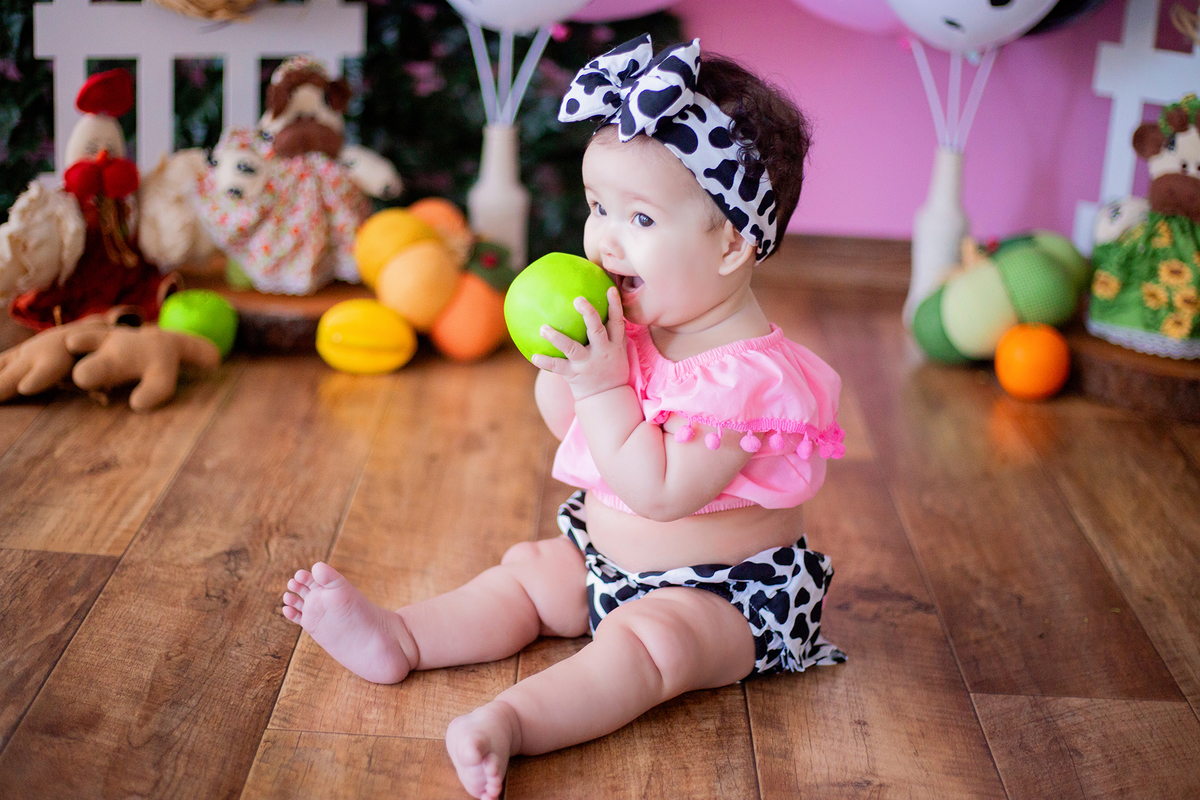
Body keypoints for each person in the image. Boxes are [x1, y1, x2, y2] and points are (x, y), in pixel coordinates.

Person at [281, 34, 846, 800]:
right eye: (597, 206)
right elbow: (571, 426)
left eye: (639, 218)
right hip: (601, 561)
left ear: (731, 245)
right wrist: (566, 371)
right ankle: (403, 636)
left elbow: (658, 491)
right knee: (527, 575)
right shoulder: (636, 329)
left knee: (650, 647)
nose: (604, 237)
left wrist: (603, 386)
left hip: (727, 597)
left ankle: (511, 723)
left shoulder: (745, 379)